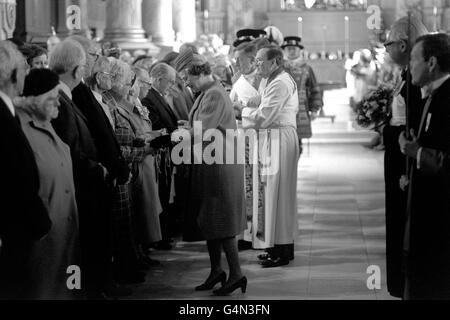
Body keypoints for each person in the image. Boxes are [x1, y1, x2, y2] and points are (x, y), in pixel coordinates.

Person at [176, 54, 247, 295]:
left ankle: (236, 273)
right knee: (210, 220)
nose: (187, 84)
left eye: (188, 79)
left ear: (200, 73)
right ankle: (216, 270)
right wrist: (186, 127)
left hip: (220, 165)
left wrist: (172, 137)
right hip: (210, 162)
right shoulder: (207, 92)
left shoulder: (214, 94)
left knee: (222, 221)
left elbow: (202, 129)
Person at [70, 35, 132, 298]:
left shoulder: (85, 91)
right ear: (81, 60)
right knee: (95, 241)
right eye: (94, 55)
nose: (98, 60)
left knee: (104, 238)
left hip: (104, 175)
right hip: (92, 178)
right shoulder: (77, 92)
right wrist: (108, 167)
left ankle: (104, 284)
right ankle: (97, 287)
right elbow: (90, 137)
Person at [48, 39, 109, 299]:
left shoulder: (66, 96)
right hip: (80, 189)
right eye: (84, 66)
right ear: (76, 71)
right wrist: (98, 169)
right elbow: (70, 150)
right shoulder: (60, 100)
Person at [236, 45, 300, 268]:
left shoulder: (280, 82)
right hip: (273, 137)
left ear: (274, 62)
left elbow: (264, 116)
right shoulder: (271, 80)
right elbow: (260, 103)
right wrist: (248, 104)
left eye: (260, 61)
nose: (256, 65)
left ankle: (281, 250)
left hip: (278, 137)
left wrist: (241, 111)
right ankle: (277, 246)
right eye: (255, 61)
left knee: (277, 193)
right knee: (272, 193)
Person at [17, 69, 79, 299]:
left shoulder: (46, 122)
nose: (59, 105)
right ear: (35, 99)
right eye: (53, 98)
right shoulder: (20, 131)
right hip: (43, 240)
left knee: (69, 287)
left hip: (66, 234)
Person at [399, 33, 450, 300]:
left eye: (413, 59)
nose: (409, 66)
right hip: (425, 211)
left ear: (431, 63)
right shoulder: (433, 94)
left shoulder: (446, 98)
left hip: (439, 217)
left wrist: (417, 153)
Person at [0, 40, 51, 300]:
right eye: (24, 68)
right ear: (12, 76)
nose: (28, 74)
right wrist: (38, 222)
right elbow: (14, 176)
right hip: (12, 229)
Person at [383, 16, 428, 298]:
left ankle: (403, 282)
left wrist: (390, 131)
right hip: (397, 155)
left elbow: (412, 124)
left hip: (405, 161)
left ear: (402, 44)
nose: (386, 49)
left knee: (404, 221)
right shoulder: (407, 75)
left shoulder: (416, 78)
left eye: (388, 43)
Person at [142, 63, 179, 248]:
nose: (171, 85)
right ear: (157, 78)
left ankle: (163, 232)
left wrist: (178, 127)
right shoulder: (149, 98)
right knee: (161, 194)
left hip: (166, 150)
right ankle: (159, 236)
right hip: (159, 151)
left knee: (165, 193)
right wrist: (176, 130)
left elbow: (167, 121)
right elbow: (156, 125)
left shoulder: (159, 96)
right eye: (169, 81)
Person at [282, 36, 323, 152]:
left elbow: (314, 89)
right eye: (288, 48)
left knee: (297, 142)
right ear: (284, 51)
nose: (291, 50)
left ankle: (294, 165)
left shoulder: (307, 68)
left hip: (301, 110)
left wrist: (315, 109)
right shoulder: (279, 68)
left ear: (299, 50)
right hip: (282, 110)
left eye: (294, 48)